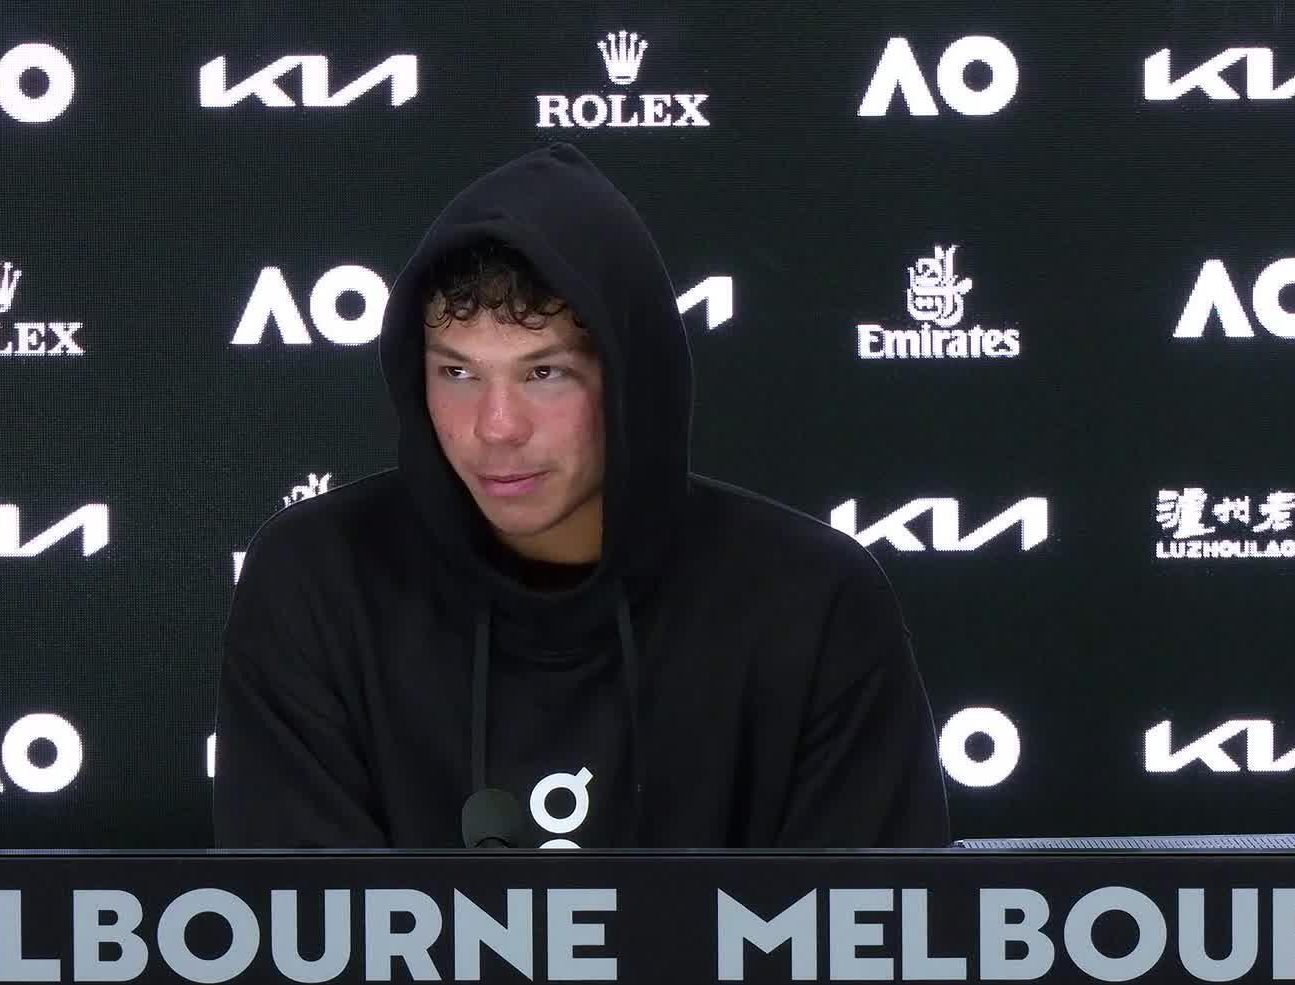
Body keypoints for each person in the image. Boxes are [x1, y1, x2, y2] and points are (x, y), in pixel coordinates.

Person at [212, 141, 950, 849]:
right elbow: (303, 925)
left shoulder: (814, 603)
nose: (496, 428)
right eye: (458, 373)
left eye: (545, 373)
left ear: (631, 382)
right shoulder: (318, 579)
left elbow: (872, 926)